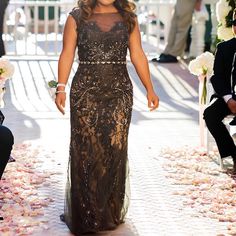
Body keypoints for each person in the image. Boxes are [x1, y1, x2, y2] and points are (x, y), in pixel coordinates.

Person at [55, 0, 159, 234]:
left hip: (119, 91)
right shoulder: (76, 16)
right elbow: (67, 53)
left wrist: (150, 88)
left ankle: (107, 210)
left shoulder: (129, 18)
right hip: (85, 92)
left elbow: (138, 54)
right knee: (86, 150)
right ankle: (87, 212)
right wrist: (60, 87)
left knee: (114, 149)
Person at [203, 9, 236, 174]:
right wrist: (229, 99)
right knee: (210, 114)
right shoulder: (224, 48)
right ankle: (233, 154)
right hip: (228, 96)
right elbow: (217, 78)